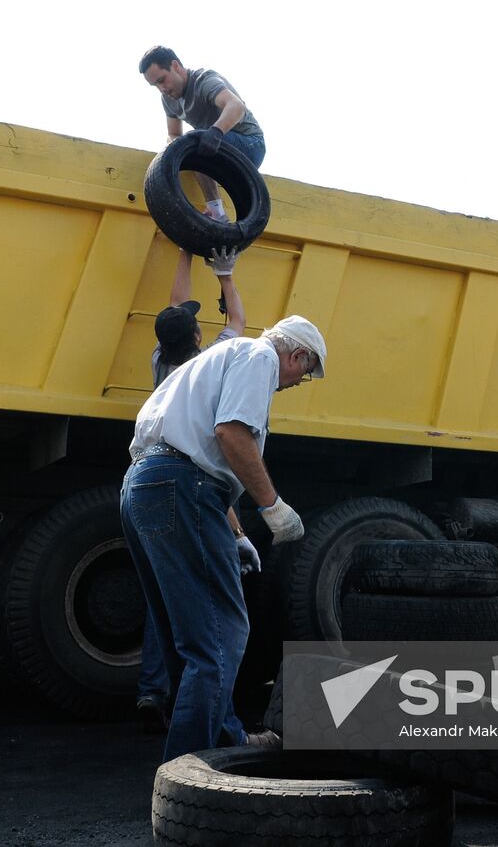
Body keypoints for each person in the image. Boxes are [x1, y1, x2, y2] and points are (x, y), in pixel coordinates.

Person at [122, 315, 325, 761]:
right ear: (296, 355)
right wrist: (272, 506)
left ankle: (222, 738)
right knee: (221, 635)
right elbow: (230, 434)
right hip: (181, 486)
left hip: (147, 483)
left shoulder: (218, 357)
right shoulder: (259, 358)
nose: (297, 381)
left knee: (188, 636)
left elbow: (202, 455)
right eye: (304, 372)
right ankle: (195, 770)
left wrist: (235, 532)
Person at [137, 242, 251, 733]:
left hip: (145, 475)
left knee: (163, 593)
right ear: (199, 335)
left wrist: (184, 251)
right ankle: (211, 725)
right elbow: (241, 326)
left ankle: (150, 689)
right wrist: (225, 274)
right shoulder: (209, 370)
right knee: (208, 615)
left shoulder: (162, 363)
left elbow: (175, 307)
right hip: (184, 482)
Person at [139, 46, 266, 221]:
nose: (162, 88)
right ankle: (216, 212)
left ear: (175, 66)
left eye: (162, 80)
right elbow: (174, 133)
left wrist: (216, 132)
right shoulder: (168, 100)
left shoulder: (204, 81)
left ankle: (217, 213)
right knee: (186, 146)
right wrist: (175, 152)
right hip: (217, 147)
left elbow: (236, 106)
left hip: (249, 144)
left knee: (195, 140)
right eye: (155, 85)